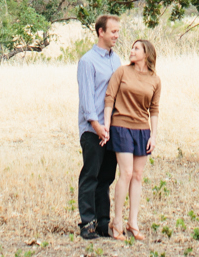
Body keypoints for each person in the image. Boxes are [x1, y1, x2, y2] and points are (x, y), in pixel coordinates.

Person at [103, 38, 162, 241]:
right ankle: (116, 221)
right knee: (126, 173)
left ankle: (133, 222)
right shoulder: (122, 72)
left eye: (136, 48)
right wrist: (106, 125)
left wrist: (153, 135)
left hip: (142, 130)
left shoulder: (155, 79)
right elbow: (109, 97)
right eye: (132, 48)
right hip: (121, 126)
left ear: (146, 54)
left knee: (137, 175)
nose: (132, 51)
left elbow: (154, 109)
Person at [75, 13, 123, 241]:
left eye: (118, 32)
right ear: (100, 32)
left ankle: (103, 222)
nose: (116, 35)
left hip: (112, 128)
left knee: (106, 177)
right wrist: (96, 126)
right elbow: (86, 99)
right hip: (92, 129)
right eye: (113, 31)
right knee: (90, 175)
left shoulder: (116, 60)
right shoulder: (87, 61)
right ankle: (87, 222)